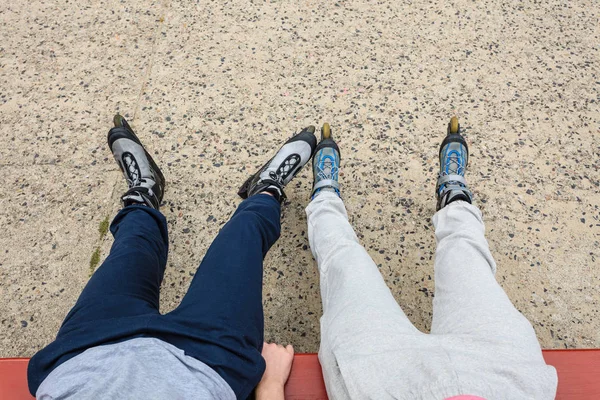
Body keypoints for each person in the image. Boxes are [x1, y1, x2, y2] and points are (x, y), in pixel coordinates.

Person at [27, 114, 315, 400]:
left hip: (84, 356)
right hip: (212, 365)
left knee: (133, 244)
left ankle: (144, 193)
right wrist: (271, 386)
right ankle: (267, 189)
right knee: (243, 240)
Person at [305, 118, 558, 399]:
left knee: (346, 263)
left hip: (383, 385)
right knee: (466, 253)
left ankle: (324, 197)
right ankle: (454, 195)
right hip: (504, 379)